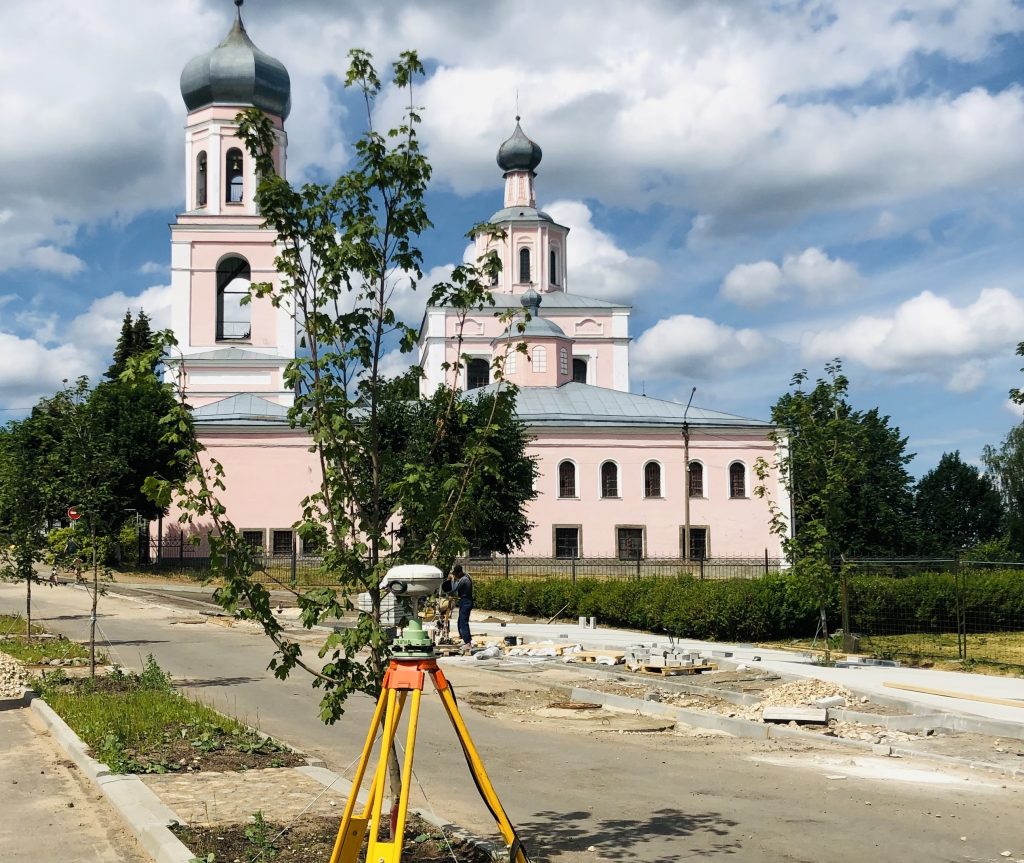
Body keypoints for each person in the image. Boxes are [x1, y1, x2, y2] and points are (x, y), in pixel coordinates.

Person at [442, 564, 474, 654]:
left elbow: (454, 589)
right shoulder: (466, 577)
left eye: (456, 574)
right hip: (464, 601)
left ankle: (468, 643)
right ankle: (465, 640)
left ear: (459, 573)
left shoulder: (464, 580)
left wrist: (452, 580)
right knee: (460, 622)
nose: (455, 576)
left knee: (463, 622)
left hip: (466, 601)